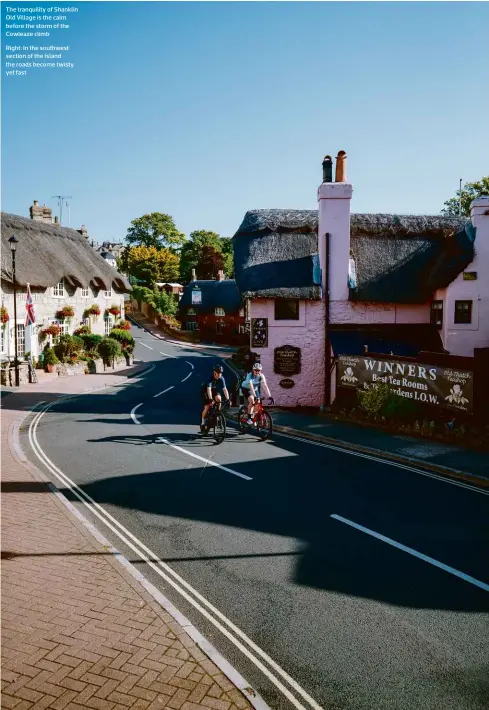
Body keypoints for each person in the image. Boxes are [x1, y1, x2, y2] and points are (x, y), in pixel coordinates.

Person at [199, 364, 231, 433]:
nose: (220, 375)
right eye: (218, 373)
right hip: (205, 391)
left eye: (221, 373)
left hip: (213, 390)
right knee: (207, 406)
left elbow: (225, 389)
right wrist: (210, 399)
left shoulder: (221, 378)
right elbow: (208, 389)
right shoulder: (210, 378)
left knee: (219, 399)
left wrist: (228, 399)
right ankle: (203, 423)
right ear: (214, 373)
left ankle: (217, 414)